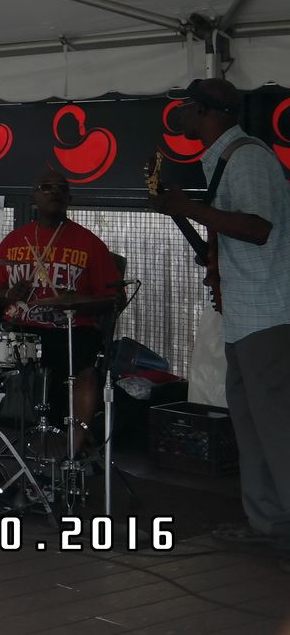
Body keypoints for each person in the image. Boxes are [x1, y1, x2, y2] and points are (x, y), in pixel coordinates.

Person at [152, 78, 290, 548]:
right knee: (252, 429)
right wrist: (179, 212)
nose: (180, 114)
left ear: (205, 111)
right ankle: (270, 526)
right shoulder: (223, 158)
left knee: (277, 430)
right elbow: (231, 237)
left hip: (268, 316)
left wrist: (188, 207)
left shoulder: (246, 158)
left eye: (186, 106)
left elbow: (256, 227)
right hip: (244, 316)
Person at [0, 167, 120, 456]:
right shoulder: (14, 241)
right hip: (19, 331)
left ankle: (71, 455)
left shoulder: (89, 244)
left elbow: (113, 299)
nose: (54, 192)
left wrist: (74, 301)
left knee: (87, 374)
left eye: (61, 188)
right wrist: (9, 294)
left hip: (69, 332)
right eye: (46, 187)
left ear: (70, 199)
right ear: (34, 197)